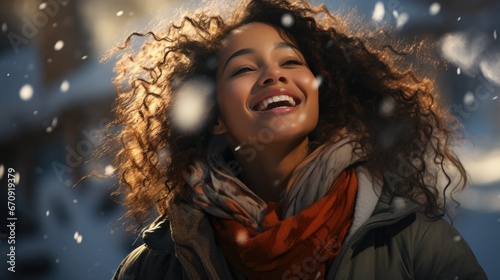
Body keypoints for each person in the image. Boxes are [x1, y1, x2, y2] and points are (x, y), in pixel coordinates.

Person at [109, 0, 487, 279]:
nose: (274, 75)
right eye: (243, 67)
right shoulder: (154, 268)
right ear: (216, 118)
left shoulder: (412, 240)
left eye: (290, 61)